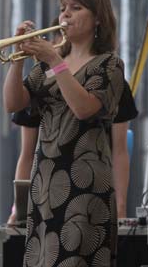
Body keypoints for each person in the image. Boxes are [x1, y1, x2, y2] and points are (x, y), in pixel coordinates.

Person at [3, 0, 125, 267]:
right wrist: (17, 61)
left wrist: (55, 61)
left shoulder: (108, 64)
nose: (65, 15)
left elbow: (84, 108)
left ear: (98, 18)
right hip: (46, 181)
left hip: (85, 182)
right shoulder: (48, 64)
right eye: (62, 9)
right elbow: (13, 103)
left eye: (75, 8)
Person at [7, 19, 137, 225]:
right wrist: (18, 207)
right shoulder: (42, 77)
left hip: (89, 185)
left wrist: (120, 206)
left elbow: (120, 151)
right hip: (46, 186)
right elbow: (27, 153)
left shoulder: (107, 71)